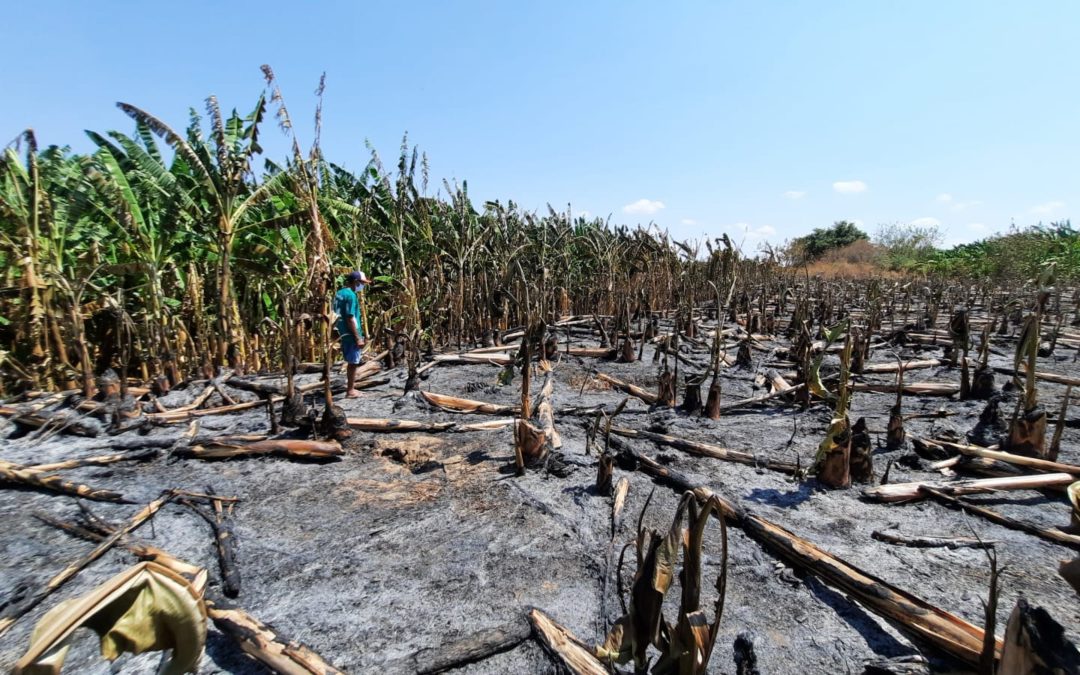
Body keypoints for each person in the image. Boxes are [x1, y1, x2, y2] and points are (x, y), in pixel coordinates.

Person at [334, 271, 368, 398]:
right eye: (362, 283)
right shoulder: (351, 295)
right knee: (353, 362)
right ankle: (351, 390)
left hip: (341, 331)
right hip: (350, 333)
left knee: (351, 361)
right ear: (356, 282)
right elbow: (350, 317)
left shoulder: (339, 293)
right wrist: (358, 337)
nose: (363, 286)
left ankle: (351, 388)